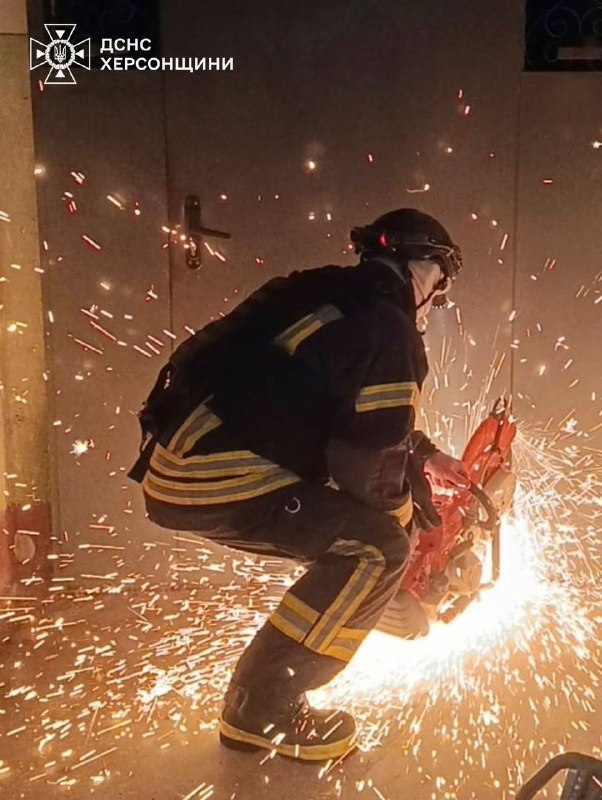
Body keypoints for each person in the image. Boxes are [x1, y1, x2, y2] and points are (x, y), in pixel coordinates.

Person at [129, 208, 470, 761]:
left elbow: (328, 398)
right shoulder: (393, 329)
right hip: (215, 473)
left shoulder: (328, 292)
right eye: (440, 282)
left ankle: (336, 620)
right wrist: (406, 551)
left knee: (369, 536)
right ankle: (261, 709)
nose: (437, 298)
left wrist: (424, 455)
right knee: (377, 548)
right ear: (424, 268)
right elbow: (367, 465)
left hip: (178, 461)